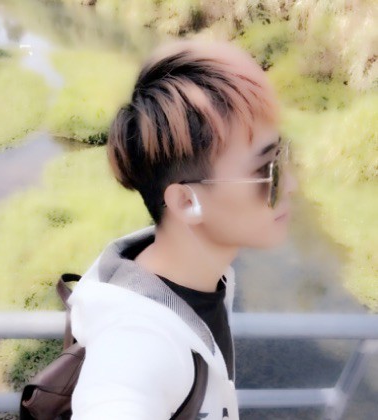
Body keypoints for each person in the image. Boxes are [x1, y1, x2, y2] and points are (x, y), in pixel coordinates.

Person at [68, 39, 295, 420]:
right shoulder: (135, 343)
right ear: (187, 202)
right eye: (266, 170)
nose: (291, 186)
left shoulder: (207, 275)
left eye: (285, 156)